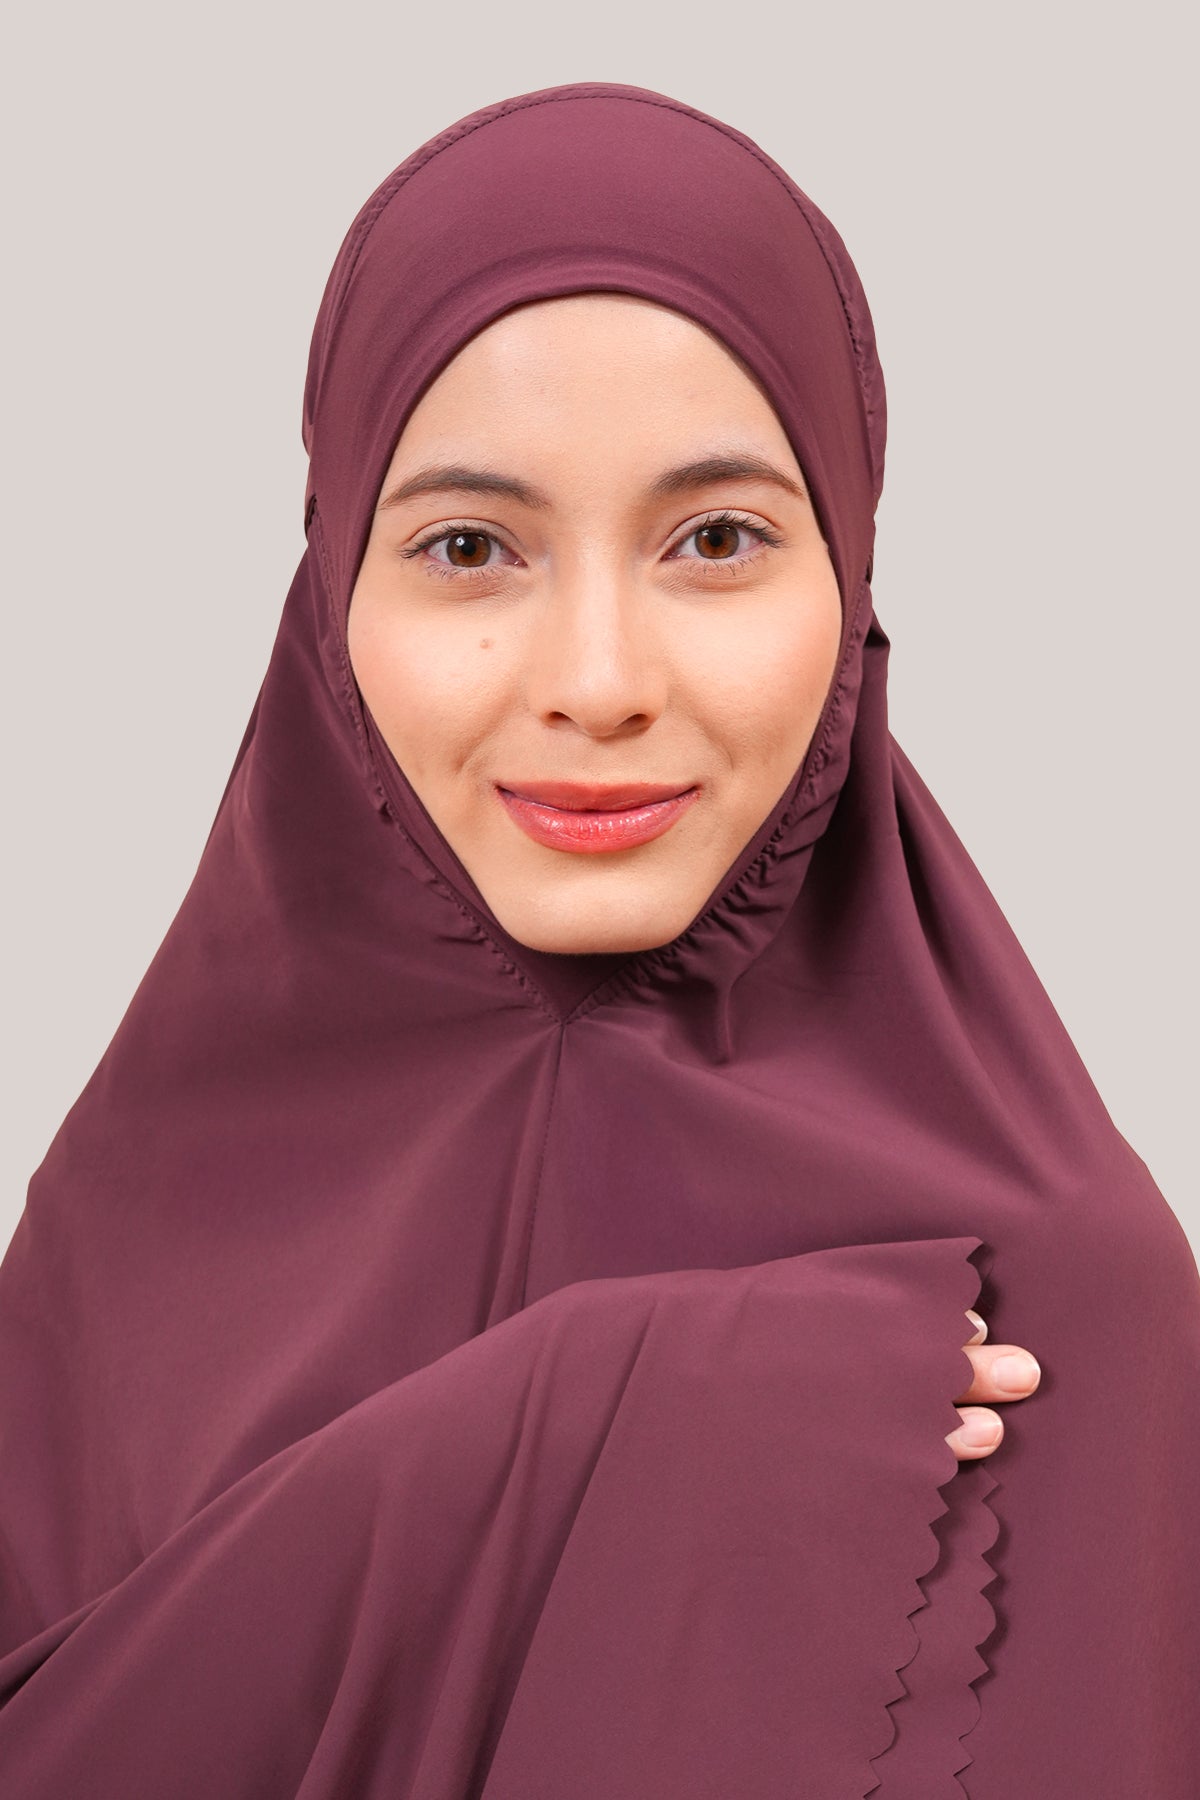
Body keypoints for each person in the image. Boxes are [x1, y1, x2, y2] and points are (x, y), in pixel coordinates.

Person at [0, 79, 1195, 1798]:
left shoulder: (1065, 1295)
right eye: (468, 547)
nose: (600, 681)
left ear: (852, 574)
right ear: (332, 592)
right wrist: (579, 1424)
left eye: (717, 540)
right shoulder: (128, 1217)